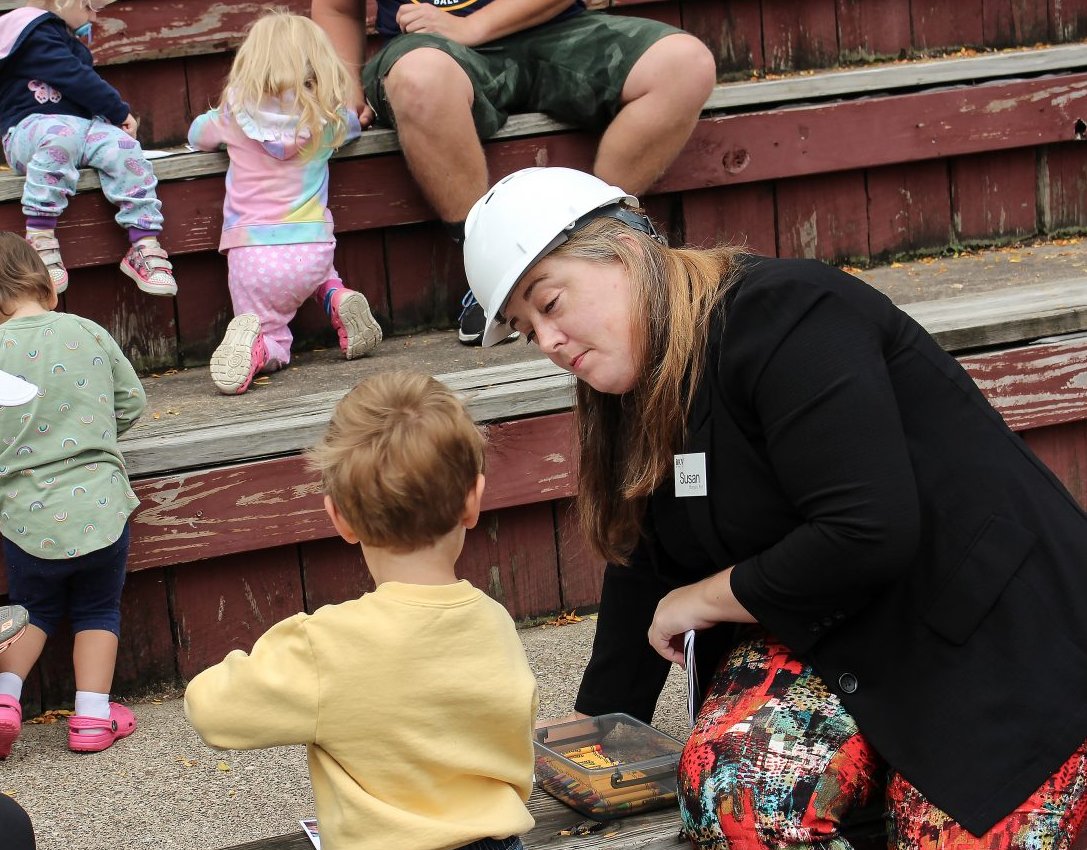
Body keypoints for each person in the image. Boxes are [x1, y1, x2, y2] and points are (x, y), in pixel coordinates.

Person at [461, 166, 1087, 850]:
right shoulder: (633, 385)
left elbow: (867, 532)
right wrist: (599, 734)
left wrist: (702, 598)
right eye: (527, 330)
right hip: (828, 634)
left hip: (990, 629)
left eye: (550, 303)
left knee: (955, 832)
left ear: (626, 251)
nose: (549, 342)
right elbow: (643, 563)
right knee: (732, 796)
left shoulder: (788, 310)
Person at [185, 371, 538, 850]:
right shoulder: (494, 620)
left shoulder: (324, 644)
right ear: (473, 500)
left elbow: (211, 710)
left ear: (340, 518)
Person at [310, 0, 716, 346]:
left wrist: (472, 25)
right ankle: (487, 271)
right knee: (419, 77)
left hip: (556, 27)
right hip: (431, 47)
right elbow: (337, 8)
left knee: (684, 63)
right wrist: (342, 85)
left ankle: (596, 238)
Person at [0, 231, 144, 757]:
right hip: (100, 506)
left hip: (26, 516)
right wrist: (95, 433)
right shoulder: (86, 331)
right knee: (98, 609)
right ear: (49, 288)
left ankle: (4, 702)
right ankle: (92, 719)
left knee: (32, 609)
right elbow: (132, 402)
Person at [188, 10, 381, 395]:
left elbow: (197, 135)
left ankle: (260, 348)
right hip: (313, 246)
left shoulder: (233, 116)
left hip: (254, 253)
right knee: (322, 276)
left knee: (269, 332)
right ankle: (337, 297)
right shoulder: (328, 120)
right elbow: (354, 124)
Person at [0, 0, 177, 296]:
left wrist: (111, 124)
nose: (94, 16)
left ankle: (144, 242)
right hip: (28, 132)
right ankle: (40, 239)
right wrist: (118, 111)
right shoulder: (30, 29)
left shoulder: (60, 34)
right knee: (61, 137)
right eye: (90, 5)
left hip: (79, 131)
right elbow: (73, 76)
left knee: (124, 145)